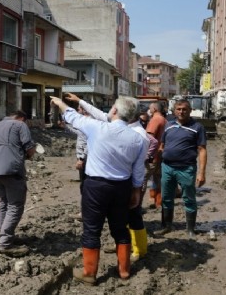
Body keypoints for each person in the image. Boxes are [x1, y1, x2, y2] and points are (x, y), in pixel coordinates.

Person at [50, 95, 147, 284]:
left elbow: (72, 117)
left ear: (115, 111)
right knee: (120, 229)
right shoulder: (138, 138)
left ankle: (89, 273)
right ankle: (124, 270)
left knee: (92, 230)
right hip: (122, 187)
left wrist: (60, 103)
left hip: (96, 187)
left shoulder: (97, 127)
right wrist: (136, 191)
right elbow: (138, 170)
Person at [64, 93, 157, 262]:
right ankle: (124, 256)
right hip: (122, 184)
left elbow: (138, 168)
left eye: (113, 108)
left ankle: (139, 250)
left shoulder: (138, 134)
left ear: (118, 111)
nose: (110, 112)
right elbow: (101, 115)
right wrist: (80, 101)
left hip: (123, 183)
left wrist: (137, 188)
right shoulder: (123, 126)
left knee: (132, 216)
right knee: (120, 223)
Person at [0, 110, 36, 257]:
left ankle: (4, 236)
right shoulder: (20, 125)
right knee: (15, 205)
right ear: (22, 118)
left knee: (3, 203)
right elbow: (29, 149)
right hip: (11, 169)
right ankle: (5, 243)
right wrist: (30, 154)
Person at [155, 99, 207, 239]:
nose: (181, 112)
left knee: (189, 199)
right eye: (178, 109)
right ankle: (166, 226)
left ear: (190, 110)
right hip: (167, 167)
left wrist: (201, 173)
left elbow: (202, 150)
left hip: (186, 169)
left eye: (184, 109)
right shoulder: (169, 125)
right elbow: (162, 146)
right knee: (166, 198)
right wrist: (157, 165)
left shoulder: (197, 127)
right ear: (174, 111)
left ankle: (190, 229)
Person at [145, 102, 167, 209]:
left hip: (153, 155)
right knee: (158, 178)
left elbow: (149, 138)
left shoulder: (155, 120)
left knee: (143, 179)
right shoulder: (164, 120)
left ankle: (150, 200)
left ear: (153, 109)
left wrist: (147, 155)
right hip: (161, 153)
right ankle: (158, 201)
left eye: (150, 109)